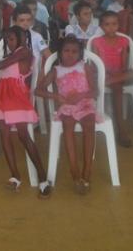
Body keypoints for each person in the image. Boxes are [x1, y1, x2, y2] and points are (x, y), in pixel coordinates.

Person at [0, 26, 51, 198]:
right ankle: (15, 175)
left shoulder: (24, 52)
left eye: (12, 38)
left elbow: (0, 65)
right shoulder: (12, 54)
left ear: (21, 38)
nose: (9, 42)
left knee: (23, 135)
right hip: (1, 97)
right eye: (7, 39)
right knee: (4, 133)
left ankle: (43, 178)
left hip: (16, 97)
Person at [35, 37, 97, 194]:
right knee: (67, 126)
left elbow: (95, 91)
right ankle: (74, 171)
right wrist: (56, 97)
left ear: (80, 53)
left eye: (75, 51)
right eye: (66, 51)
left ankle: (87, 171)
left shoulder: (85, 67)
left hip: (85, 103)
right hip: (67, 106)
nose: (70, 54)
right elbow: (38, 90)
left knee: (89, 125)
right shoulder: (56, 70)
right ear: (60, 53)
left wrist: (82, 96)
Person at [90, 12, 133, 148]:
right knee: (117, 87)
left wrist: (119, 74)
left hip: (120, 75)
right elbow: (97, 64)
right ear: (101, 26)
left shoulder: (123, 41)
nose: (111, 27)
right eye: (107, 24)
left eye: (114, 24)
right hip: (103, 74)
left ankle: (110, 82)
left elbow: (125, 65)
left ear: (118, 25)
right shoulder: (97, 42)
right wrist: (110, 75)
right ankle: (122, 131)